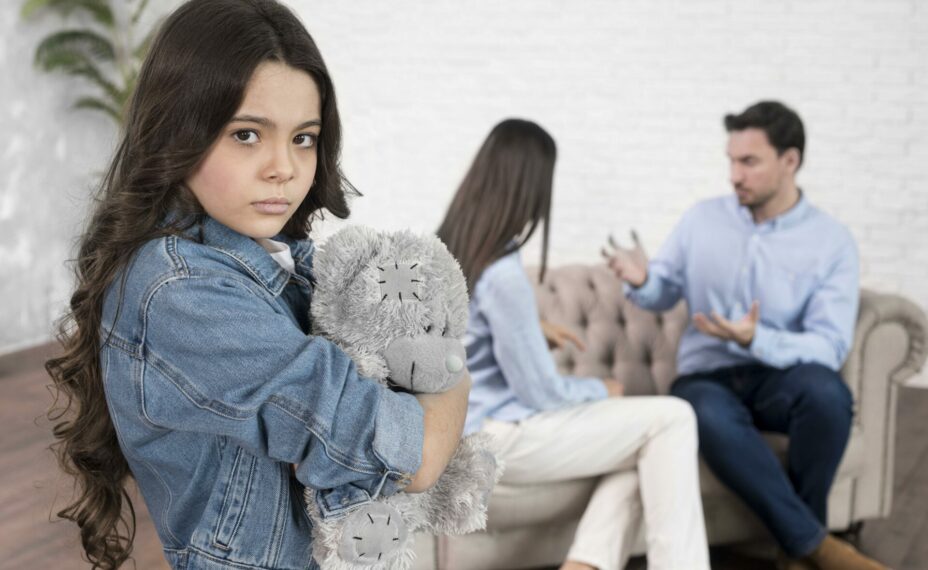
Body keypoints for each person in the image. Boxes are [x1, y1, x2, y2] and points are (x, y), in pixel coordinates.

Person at [44, 1, 470, 568]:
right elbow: (412, 455)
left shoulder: (269, 257)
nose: (283, 168)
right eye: (246, 134)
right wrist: (452, 374)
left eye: (304, 138)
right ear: (178, 132)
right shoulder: (182, 292)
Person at [604, 101, 886, 570]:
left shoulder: (831, 241)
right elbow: (662, 291)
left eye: (749, 162)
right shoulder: (701, 220)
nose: (735, 175)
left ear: (790, 160)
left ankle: (798, 544)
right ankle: (814, 547)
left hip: (779, 377)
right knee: (699, 409)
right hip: (707, 379)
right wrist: (642, 281)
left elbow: (829, 344)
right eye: (732, 161)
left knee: (827, 395)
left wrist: (758, 339)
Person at [437, 119, 709, 570]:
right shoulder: (502, 272)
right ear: (532, 186)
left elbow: (472, 334)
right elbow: (542, 393)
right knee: (673, 419)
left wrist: (532, 326)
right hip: (496, 436)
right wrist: (603, 389)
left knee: (643, 450)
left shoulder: (453, 248)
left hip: (467, 428)